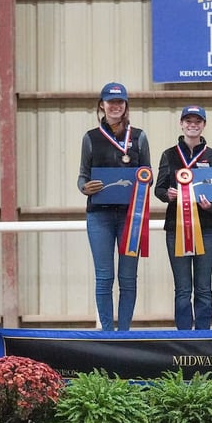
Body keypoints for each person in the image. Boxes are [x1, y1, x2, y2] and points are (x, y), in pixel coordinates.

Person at [77, 82, 151, 331]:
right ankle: (107, 332)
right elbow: (82, 176)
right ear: (102, 105)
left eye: (120, 102)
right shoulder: (91, 138)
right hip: (100, 217)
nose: (115, 106)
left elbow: (148, 174)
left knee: (128, 278)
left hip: (131, 216)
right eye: (111, 102)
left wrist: (144, 179)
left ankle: (125, 333)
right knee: (104, 277)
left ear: (126, 105)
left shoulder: (140, 137)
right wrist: (84, 188)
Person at [155, 105, 212, 330]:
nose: (192, 125)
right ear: (181, 124)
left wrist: (211, 205)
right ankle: (183, 336)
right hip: (176, 228)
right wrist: (168, 194)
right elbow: (158, 189)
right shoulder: (169, 154)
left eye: (197, 121)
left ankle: (204, 336)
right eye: (188, 121)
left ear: (204, 125)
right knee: (183, 288)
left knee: (204, 287)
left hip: (205, 228)